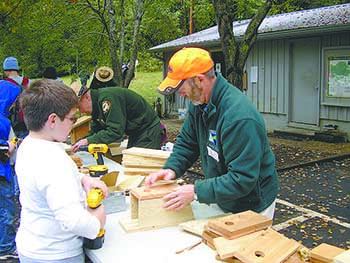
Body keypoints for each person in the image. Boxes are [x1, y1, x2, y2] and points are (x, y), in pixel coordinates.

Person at [145, 47, 279, 219]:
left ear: (199, 80)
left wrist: (195, 191)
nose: (180, 93)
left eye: (180, 86)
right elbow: (187, 143)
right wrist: (172, 169)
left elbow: (242, 179)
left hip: (251, 205)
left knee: (242, 246)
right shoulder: (198, 102)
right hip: (224, 197)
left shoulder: (239, 118)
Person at [15, 79, 107, 263]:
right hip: (56, 255)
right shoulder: (53, 160)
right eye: (72, 118)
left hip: (34, 246)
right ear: (53, 120)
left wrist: (83, 180)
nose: (73, 124)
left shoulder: (30, 144)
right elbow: (74, 221)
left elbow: (45, 181)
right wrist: (98, 218)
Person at [71, 66, 163, 152]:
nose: (81, 112)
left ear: (86, 97)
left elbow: (115, 131)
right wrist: (82, 142)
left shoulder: (107, 99)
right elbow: (96, 128)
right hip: (136, 132)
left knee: (140, 164)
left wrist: (88, 141)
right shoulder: (97, 104)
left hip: (148, 131)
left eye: (79, 107)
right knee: (130, 161)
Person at [0, 81, 21, 260]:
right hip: (1, 173)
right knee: (6, 210)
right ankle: (6, 247)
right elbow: (3, 149)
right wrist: (11, 146)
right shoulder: (1, 120)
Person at [2, 56, 31, 139]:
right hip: (28, 118)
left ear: (6, 70)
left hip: (12, 120)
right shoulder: (28, 82)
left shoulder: (5, 85)